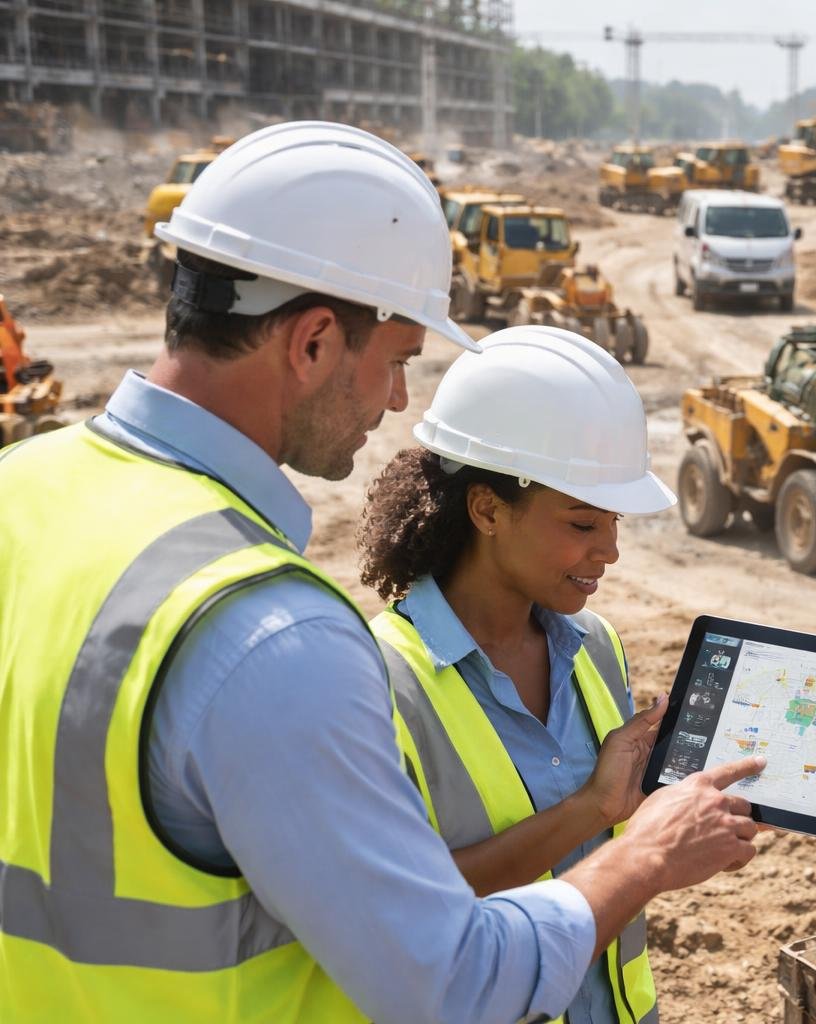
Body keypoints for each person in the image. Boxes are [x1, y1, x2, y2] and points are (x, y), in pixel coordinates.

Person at [0, 121, 763, 1022]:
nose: (401, 400)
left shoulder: (20, 490)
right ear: (315, 341)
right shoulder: (272, 634)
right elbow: (448, 983)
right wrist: (640, 857)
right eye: (399, 360)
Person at [357, 326, 678, 1024]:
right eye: (583, 524)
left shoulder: (596, 648)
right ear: (487, 510)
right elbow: (410, 910)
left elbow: (608, 842)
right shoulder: (378, 680)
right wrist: (594, 809)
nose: (612, 551)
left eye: (614, 523)